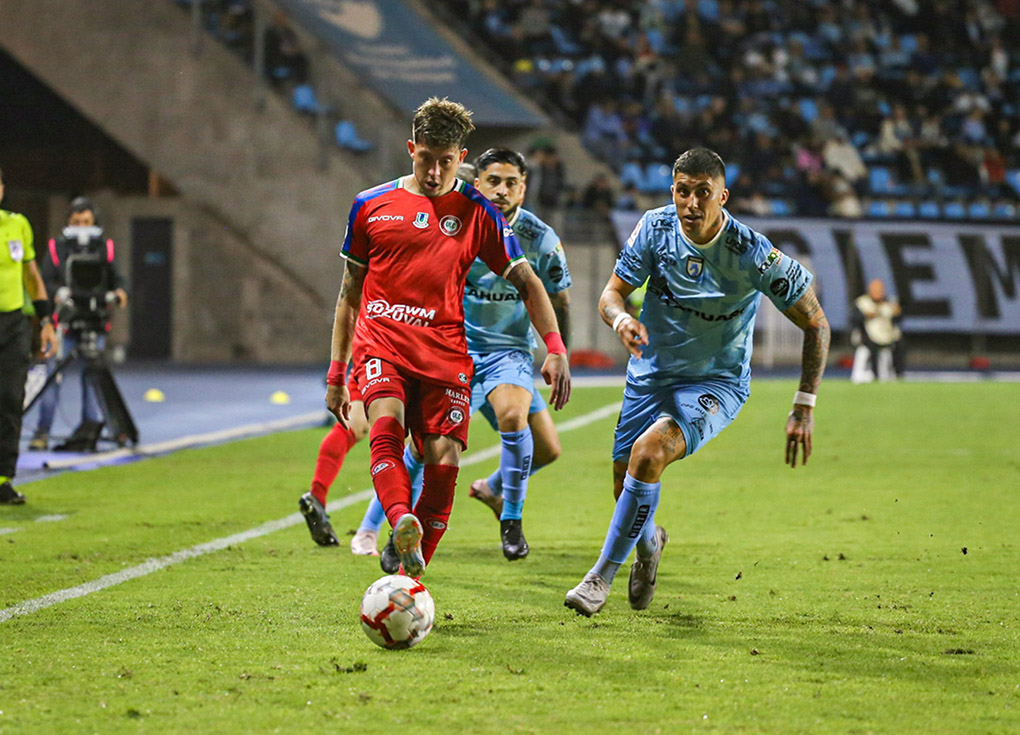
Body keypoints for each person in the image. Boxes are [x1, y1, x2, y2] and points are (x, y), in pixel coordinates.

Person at [564, 147, 830, 616]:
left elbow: (816, 323)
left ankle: (598, 578)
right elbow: (611, 294)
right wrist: (621, 319)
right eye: (682, 191)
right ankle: (649, 548)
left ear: (722, 196)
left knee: (648, 455)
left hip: (715, 382)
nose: (691, 203)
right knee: (625, 482)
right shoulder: (655, 227)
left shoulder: (752, 254)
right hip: (650, 375)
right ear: (673, 191)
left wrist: (804, 404)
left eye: (702, 193)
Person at [325, 98, 571, 579]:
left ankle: (409, 581)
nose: (435, 172)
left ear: (461, 158)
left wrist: (556, 349)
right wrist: (337, 371)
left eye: (446, 161)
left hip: (443, 352)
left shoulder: (479, 213)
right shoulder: (370, 205)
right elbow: (349, 294)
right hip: (384, 344)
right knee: (387, 426)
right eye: (426, 159)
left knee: (443, 458)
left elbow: (529, 283)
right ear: (411, 149)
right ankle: (400, 521)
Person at [29, 197, 128, 452]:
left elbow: (117, 279)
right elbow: (45, 280)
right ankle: (42, 431)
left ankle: (89, 431)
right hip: (64, 322)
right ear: (68, 222)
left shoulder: (104, 247)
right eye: (77, 222)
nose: (82, 226)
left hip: (94, 322)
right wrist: (61, 293)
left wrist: (119, 292)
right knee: (52, 377)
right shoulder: (57, 247)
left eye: (86, 222)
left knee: (92, 379)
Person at [0, 166, 57, 504]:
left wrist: (46, 320)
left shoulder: (17, 225)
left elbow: (32, 276)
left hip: (13, 325)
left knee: (9, 400)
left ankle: (3, 479)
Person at [853, 278, 904, 380]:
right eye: (875, 290)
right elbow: (855, 319)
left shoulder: (889, 303)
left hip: (886, 335)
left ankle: (898, 374)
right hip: (868, 335)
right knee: (872, 346)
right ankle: (875, 375)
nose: (878, 293)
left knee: (900, 343)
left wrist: (897, 313)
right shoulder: (862, 302)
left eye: (880, 290)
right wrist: (868, 315)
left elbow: (897, 319)